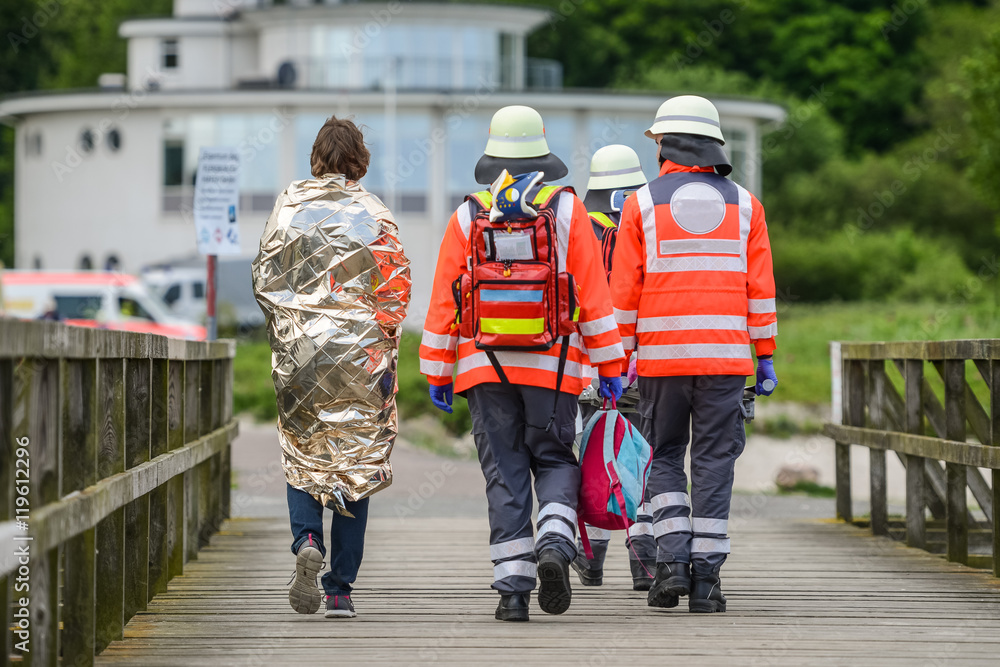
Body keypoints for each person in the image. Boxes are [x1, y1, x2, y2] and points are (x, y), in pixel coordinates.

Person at [420, 105, 625, 622]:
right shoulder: (570, 211)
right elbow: (595, 297)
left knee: (505, 474)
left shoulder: (468, 214)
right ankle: (555, 541)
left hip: (482, 370)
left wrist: (437, 371)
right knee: (556, 461)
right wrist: (610, 365)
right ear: (542, 151)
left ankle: (513, 591)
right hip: (554, 368)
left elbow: (446, 301)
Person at [610, 95, 778, 613]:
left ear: (665, 144)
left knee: (663, 458)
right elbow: (761, 288)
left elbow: (624, 294)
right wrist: (765, 354)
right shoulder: (748, 206)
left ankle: (670, 565)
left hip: (662, 360)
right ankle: (706, 582)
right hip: (726, 360)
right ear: (712, 145)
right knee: (713, 462)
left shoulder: (640, 204)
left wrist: (620, 358)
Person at [252, 116, 411, 619]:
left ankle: (305, 540)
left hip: (300, 357)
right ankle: (339, 587)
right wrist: (380, 342)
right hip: (359, 358)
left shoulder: (288, 207)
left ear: (316, 157)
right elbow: (396, 290)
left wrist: (289, 329)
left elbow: (264, 279)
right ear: (360, 160)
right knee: (356, 467)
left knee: (302, 453)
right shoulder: (375, 212)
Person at [572, 144, 657, 591]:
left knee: (595, 461)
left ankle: (592, 559)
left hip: (586, 375)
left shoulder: (576, 228)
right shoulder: (645, 227)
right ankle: (643, 560)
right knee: (638, 459)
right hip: (637, 369)